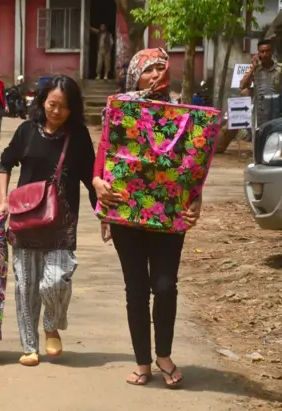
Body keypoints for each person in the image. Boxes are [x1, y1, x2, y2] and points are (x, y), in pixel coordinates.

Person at [92, 47, 202, 387]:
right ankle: (143, 362)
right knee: (136, 288)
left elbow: (193, 165)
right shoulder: (120, 111)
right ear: (134, 76)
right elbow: (104, 156)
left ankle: (164, 354)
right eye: (147, 70)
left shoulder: (182, 116)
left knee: (165, 286)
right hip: (126, 210)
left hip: (169, 214)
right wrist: (97, 183)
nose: (155, 75)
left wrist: (195, 200)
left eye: (160, 68)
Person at [0, 75, 97, 366]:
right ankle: (30, 346)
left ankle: (51, 324)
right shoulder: (27, 131)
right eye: (52, 103)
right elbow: (6, 161)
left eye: (64, 106)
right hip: (26, 221)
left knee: (54, 282)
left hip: (61, 223)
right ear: (42, 102)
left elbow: (91, 179)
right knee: (26, 286)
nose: (56, 111)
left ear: (72, 109)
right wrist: (3, 201)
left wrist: (105, 215)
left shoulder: (76, 137)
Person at [239, 39, 282, 126]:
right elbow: (242, 85)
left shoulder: (280, 69)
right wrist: (253, 68)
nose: (265, 54)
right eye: (262, 51)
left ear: (272, 52)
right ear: (258, 53)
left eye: (268, 51)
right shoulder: (255, 70)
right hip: (259, 114)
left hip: (276, 112)